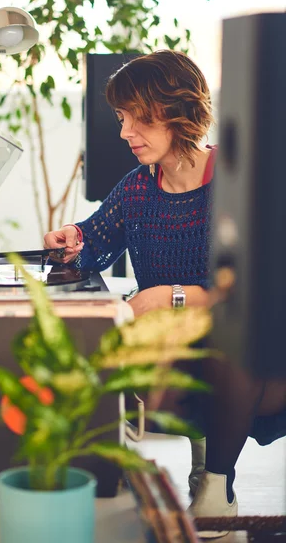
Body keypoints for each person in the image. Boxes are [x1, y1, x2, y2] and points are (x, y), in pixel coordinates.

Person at [43, 50, 286, 538]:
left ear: (178, 113)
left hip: (254, 357)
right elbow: (94, 242)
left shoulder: (238, 182)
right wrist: (72, 238)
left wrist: (170, 296)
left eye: (139, 119)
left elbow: (263, 287)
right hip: (177, 355)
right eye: (121, 118)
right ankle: (210, 451)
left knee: (228, 340)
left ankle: (218, 483)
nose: (124, 132)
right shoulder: (137, 188)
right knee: (153, 378)